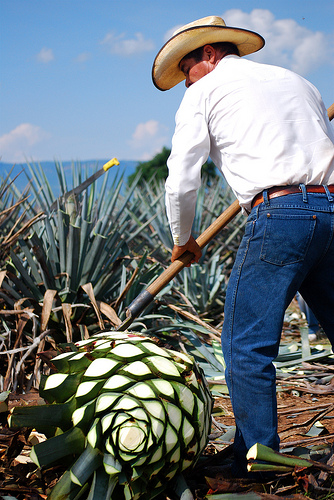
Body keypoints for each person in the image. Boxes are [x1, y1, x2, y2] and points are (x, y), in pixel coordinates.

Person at [152, 16, 334, 476]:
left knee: (245, 345)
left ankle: (256, 457)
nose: (184, 82)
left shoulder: (205, 92)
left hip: (280, 216)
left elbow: (180, 179)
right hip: (331, 208)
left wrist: (182, 240)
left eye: (186, 69)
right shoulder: (298, 81)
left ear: (209, 54)